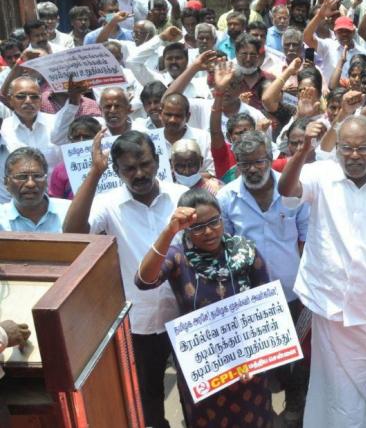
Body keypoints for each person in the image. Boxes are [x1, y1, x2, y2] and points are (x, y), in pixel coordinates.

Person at [279, 115, 366, 428]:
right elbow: (286, 189)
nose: (354, 156)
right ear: (336, 149)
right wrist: (303, 149)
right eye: (346, 149)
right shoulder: (320, 174)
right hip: (329, 301)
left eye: (362, 149)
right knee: (331, 386)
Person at [63, 130, 189, 428]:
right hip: (139, 322)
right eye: (129, 169)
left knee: (193, 391)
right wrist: (94, 173)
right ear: (117, 172)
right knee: (148, 397)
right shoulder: (107, 205)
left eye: (145, 163)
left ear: (158, 160)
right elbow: (73, 234)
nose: (140, 173)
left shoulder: (179, 195)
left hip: (185, 314)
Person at [135, 189, 274, 427]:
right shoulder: (179, 257)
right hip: (204, 368)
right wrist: (169, 231)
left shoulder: (244, 250)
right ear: (186, 230)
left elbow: (266, 304)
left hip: (247, 366)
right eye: (198, 227)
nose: (209, 232)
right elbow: (144, 281)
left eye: (214, 222)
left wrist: (257, 360)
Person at [216, 129, 309, 419]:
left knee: (296, 357)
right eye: (245, 164)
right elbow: (226, 247)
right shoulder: (227, 197)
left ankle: (296, 409)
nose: (253, 169)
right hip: (253, 298)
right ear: (237, 165)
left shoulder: (293, 189)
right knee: (262, 360)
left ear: (270, 158)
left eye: (258, 161)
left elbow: (306, 240)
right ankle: (264, 413)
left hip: (293, 289)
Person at [0, 148, 69, 232]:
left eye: (37, 176)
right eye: (22, 177)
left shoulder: (68, 211)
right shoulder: (2, 219)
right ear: (6, 183)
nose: (30, 184)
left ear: (46, 180)